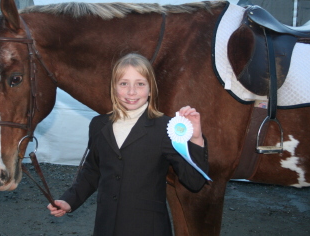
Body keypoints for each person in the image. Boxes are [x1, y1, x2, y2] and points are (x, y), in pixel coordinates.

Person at [47, 53, 209, 236]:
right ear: (114, 88)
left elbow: (194, 182)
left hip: (148, 229)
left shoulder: (165, 128)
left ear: (150, 89)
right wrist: (69, 201)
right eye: (124, 84)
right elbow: (92, 171)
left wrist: (196, 139)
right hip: (106, 227)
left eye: (140, 84)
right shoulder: (99, 125)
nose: (131, 92)